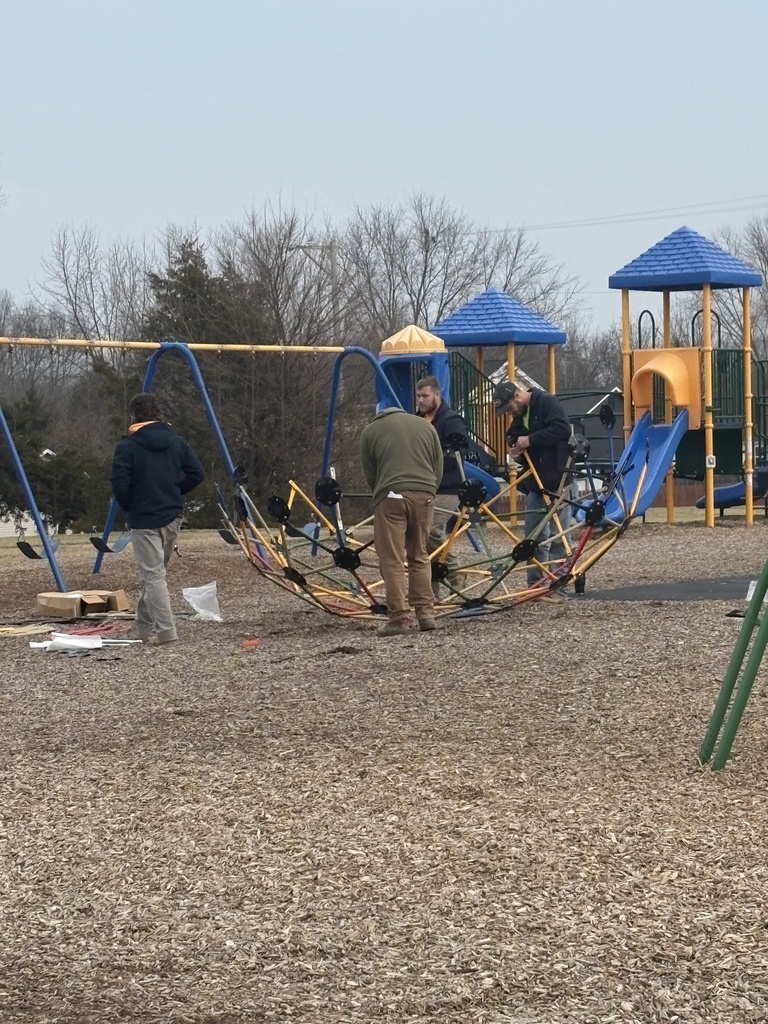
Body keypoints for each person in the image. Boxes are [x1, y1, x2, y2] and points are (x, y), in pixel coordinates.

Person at [110, 392, 205, 645]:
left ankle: (167, 634)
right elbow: (197, 473)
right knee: (155, 574)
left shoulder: (127, 447)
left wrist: (131, 505)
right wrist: (174, 490)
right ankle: (142, 627)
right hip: (172, 516)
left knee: (153, 577)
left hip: (144, 519)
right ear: (159, 414)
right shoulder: (177, 442)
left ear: (133, 417)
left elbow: (119, 485)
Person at [360, 407, 443, 636]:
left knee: (392, 558)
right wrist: (429, 491)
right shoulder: (426, 426)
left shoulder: (370, 431)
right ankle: (426, 613)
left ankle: (399, 618)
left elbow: (371, 474)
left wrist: (381, 494)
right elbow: (438, 465)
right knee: (419, 554)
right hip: (425, 492)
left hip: (391, 495)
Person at [493, 381, 574, 589]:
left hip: (558, 479)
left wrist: (530, 440)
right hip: (536, 482)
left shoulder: (547, 402)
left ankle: (558, 585)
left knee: (559, 537)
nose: (510, 413)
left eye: (509, 407)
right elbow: (513, 434)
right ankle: (535, 585)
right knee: (533, 537)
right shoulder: (521, 414)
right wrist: (515, 447)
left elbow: (562, 429)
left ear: (517, 396)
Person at [414, 376, 468, 595]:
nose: (420, 400)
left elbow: (458, 452)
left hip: (448, 485)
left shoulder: (451, 420)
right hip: (425, 484)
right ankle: (432, 590)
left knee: (433, 530)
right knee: (420, 536)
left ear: (437, 394)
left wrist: (431, 459)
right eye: (418, 396)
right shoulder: (417, 420)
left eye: (425, 396)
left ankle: (456, 572)